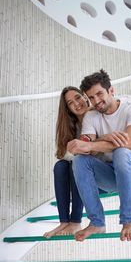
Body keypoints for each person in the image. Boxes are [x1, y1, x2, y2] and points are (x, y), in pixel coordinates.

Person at [67, 69, 131, 242]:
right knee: (79, 161)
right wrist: (103, 139)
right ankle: (97, 222)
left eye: (99, 94)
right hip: (111, 174)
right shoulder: (91, 117)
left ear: (111, 90)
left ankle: (129, 220)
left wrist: (92, 144)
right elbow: (86, 148)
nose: (96, 101)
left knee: (122, 152)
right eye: (90, 98)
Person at [44, 86, 92, 238]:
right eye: (70, 103)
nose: (76, 104)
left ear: (85, 96)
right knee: (60, 166)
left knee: (77, 163)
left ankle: (76, 221)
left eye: (77, 97)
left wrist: (78, 150)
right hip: (79, 170)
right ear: (68, 109)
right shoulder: (72, 126)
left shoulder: (97, 116)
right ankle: (64, 221)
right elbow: (63, 155)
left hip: (97, 172)